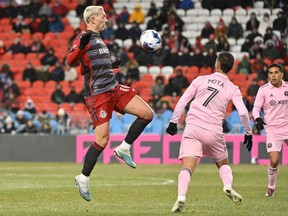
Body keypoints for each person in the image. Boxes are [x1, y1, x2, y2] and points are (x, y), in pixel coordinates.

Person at [66, 6, 154, 202]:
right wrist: (81, 46)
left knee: (147, 114)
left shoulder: (98, 39)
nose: (106, 19)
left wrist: (110, 66)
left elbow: (85, 68)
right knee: (102, 140)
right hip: (98, 95)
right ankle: (83, 178)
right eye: (103, 16)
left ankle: (124, 148)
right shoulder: (84, 37)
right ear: (93, 19)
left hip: (112, 88)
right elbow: (70, 61)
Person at [165, 52, 253, 213]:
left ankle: (181, 196)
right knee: (223, 164)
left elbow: (183, 100)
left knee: (187, 167)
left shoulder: (200, 80)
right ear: (230, 68)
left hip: (193, 127)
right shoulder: (232, 88)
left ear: (217, 65)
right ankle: (227, 185)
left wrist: (173, 121)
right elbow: (242, 112)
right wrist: (248, 132)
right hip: (213, 131)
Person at [252, 63, 288, 197]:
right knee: (274, 160)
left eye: (276, 72)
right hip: (273, 129)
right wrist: (257, 119)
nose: (273, 75)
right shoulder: (264, 90)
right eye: (270, 73)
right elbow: (256, 108)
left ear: (281, 74)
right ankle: (271, 188)